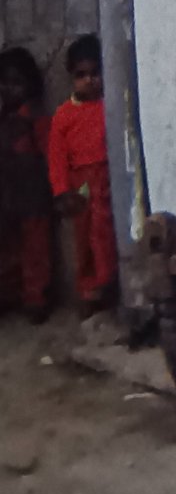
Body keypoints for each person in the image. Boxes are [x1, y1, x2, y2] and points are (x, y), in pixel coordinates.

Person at [48, 34, 119, 318]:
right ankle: (89, 290)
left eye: (95, 73)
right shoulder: (64, 115)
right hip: (82, 184)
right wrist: (62, 191)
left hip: (109, 176)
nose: (90, 80)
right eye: (82, 75)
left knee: (107, 233)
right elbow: (56, 157)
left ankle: (110, 284)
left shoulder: (109, 107)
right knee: (84, 238)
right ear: (71, 77)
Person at [0, 47, 53, 322]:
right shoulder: (5, 117)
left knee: (35, 249)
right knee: (9, 249)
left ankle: (36, 299)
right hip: (7, 195)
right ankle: (9, 295)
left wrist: (58, 189)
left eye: (17, 82)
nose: (10, 89)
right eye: (5, 82)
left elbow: (49, 153)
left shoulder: (34, 117)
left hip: (32, 195)